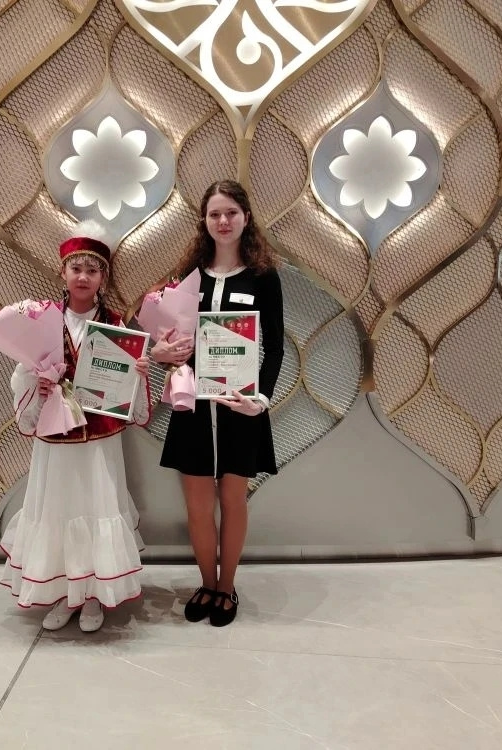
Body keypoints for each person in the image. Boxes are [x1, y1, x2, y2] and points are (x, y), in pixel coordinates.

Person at [0, 236, 151, 633]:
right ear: (63, 272)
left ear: (103, 277)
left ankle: (94, 594)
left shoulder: (114, 324)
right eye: (76, 268)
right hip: (57, 437)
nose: (83, 277)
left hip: (98, 439)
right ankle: (65, 592)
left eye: (93, 270)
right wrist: (36, 385)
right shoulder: (42, 320)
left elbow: (126, 387)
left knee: (96, 505)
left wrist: (137, 374)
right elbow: (22, 373)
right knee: (59, 509)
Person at [151, 180, 284, 627]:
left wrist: (260, 399)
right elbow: (169, 336)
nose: (223, 221)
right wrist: (163, 352)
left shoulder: (263, 276)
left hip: (239, 408)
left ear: (245, 217)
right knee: (197, 506)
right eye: (214, 214)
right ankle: (206, 583)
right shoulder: (190, 277)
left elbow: (276, 347)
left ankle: (227, 587)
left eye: (230, 213)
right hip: (193, 408)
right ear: (204, 221)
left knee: (233, 500)